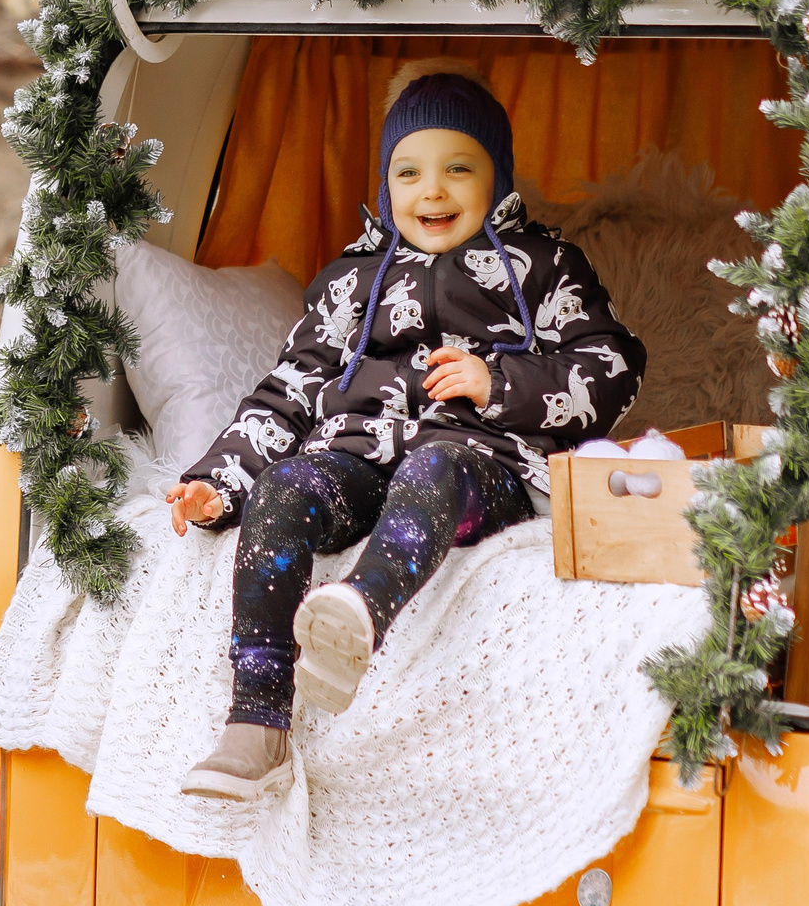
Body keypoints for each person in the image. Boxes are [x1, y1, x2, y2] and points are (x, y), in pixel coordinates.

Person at [167, 62, 647, 797]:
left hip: (479, 468)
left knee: (437, 468)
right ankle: (255, 723)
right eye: (409, 171)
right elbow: (288, 392)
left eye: (459, 167)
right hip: (359, 458)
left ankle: (358, 609)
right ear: (387, 183)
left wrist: (499, 384)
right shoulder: (352, 279)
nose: (432, 190)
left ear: (498, 178)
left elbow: (613, 367)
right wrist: (218, 479)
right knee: (288, 485)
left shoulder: (544, 266)